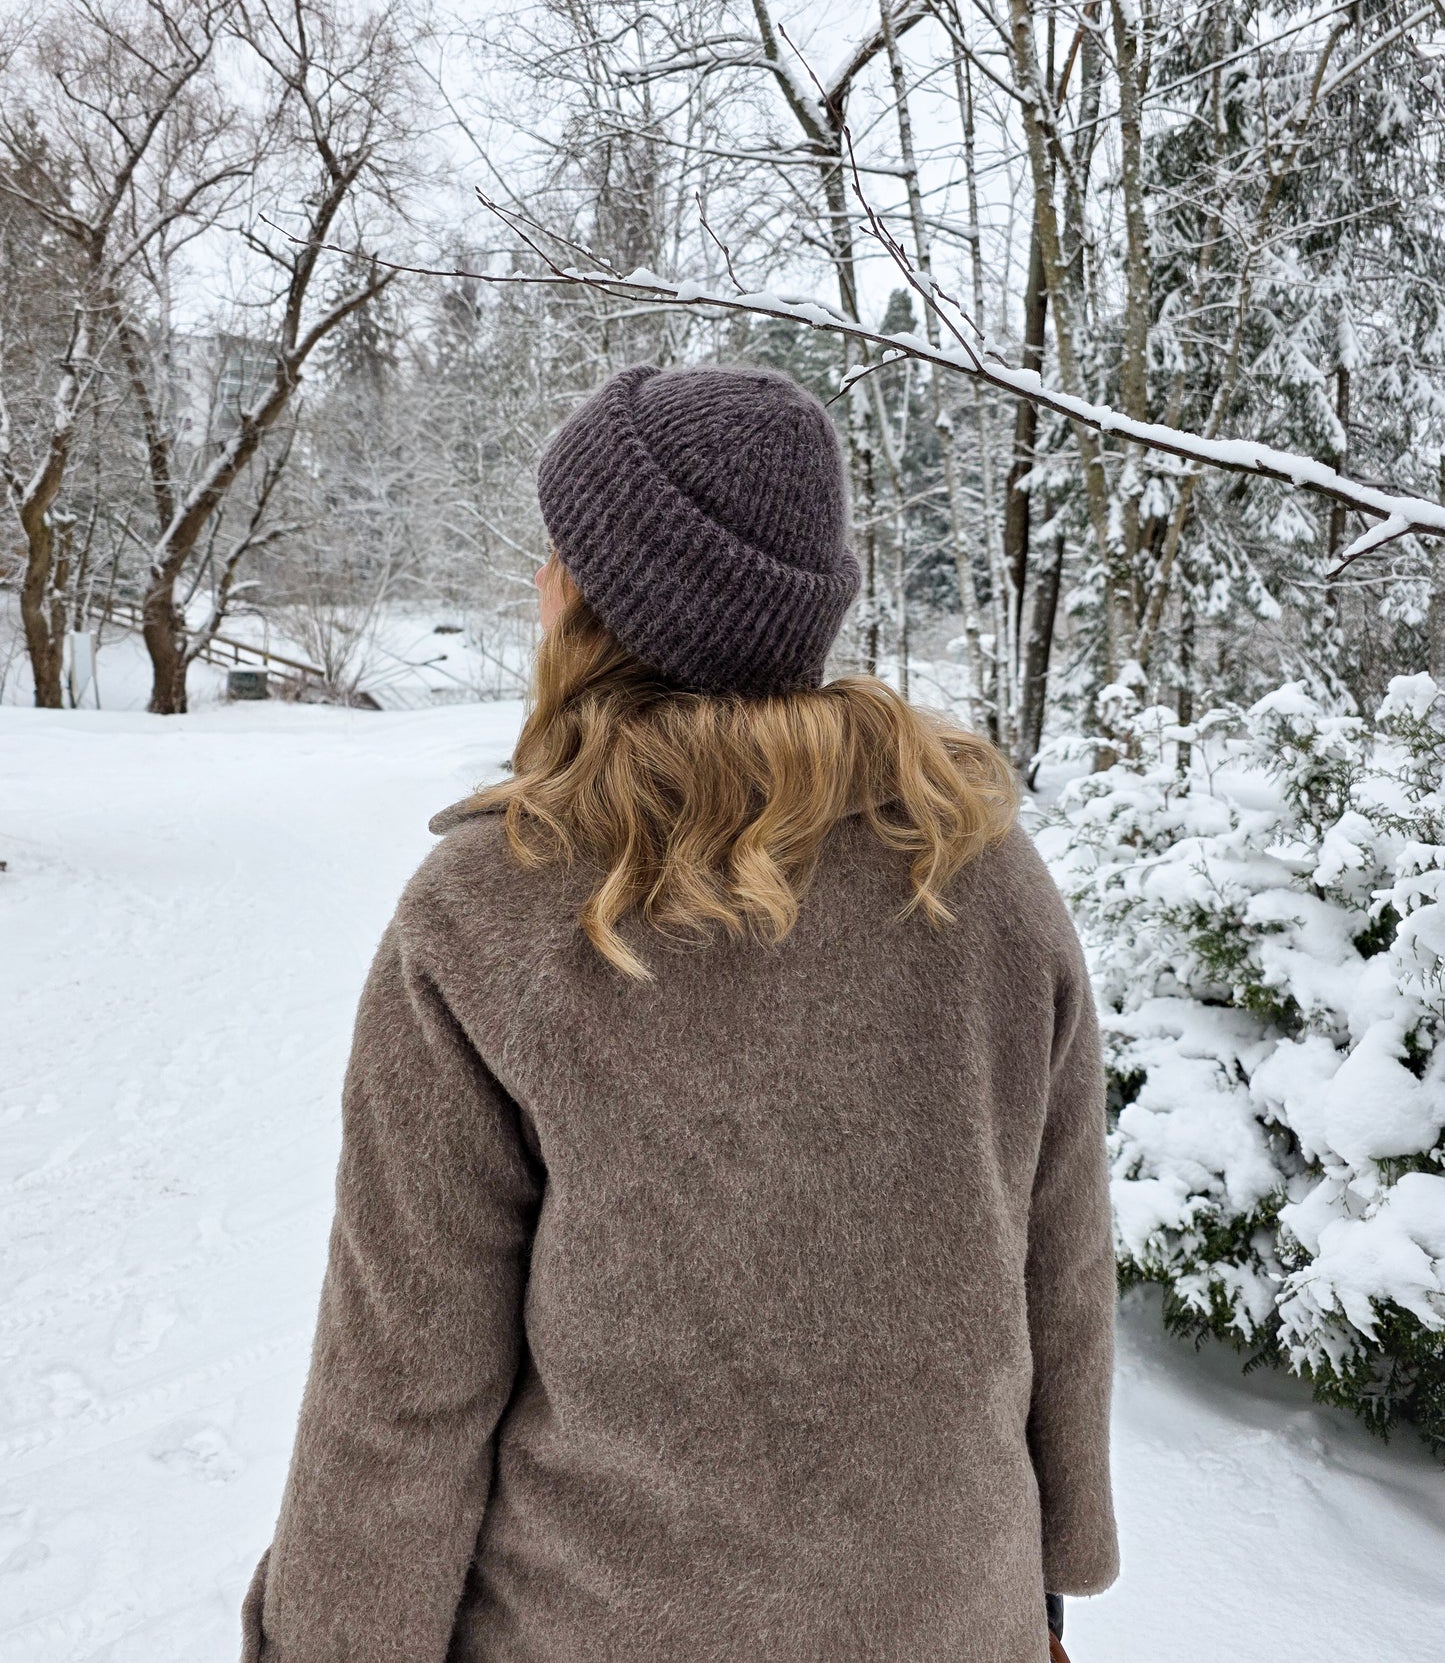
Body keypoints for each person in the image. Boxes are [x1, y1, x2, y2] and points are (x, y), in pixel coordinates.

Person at [241, 362, 1118, 1663]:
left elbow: (403, 1383)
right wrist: (1044, 1580)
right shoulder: (978, 874)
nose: (540, 577)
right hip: (945, 1614)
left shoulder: (492, 904)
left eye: (561, 552)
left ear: (604, 604)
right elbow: (1057, 1269)